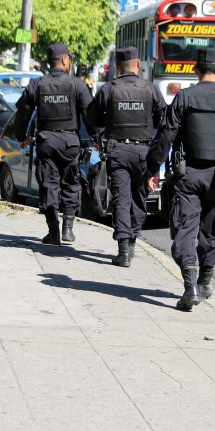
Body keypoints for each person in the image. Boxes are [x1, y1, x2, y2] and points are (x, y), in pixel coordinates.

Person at [146, 48, 215, 311]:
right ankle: (204, 284)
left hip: (187, 175)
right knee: (210, 229)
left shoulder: (184, 97)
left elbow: (166, 135)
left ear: (196, 70)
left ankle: (190, 286)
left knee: (184, 229)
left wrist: (152, 169)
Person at [87, 46, 166, 266]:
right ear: (138, 65)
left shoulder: (108, 89)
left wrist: (104, 126)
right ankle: (131, 242)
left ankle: (123, 250)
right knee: (139, 198)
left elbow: (92, 117)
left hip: (118, 151)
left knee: (121, 199)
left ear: (117, 67)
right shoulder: (151, 89)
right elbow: (163, 119)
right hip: (143, 152)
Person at [14, 43, 94, 245]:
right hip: (70, 143)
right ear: (65, 60)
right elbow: (90, 115)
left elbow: (23, 111)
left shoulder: (37, 84)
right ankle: (68, 229)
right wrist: (98, 137)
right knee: (71, 183)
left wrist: (21, 136)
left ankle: (53, 231)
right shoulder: (77, 84)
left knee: (48, 185)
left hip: (47, 142)